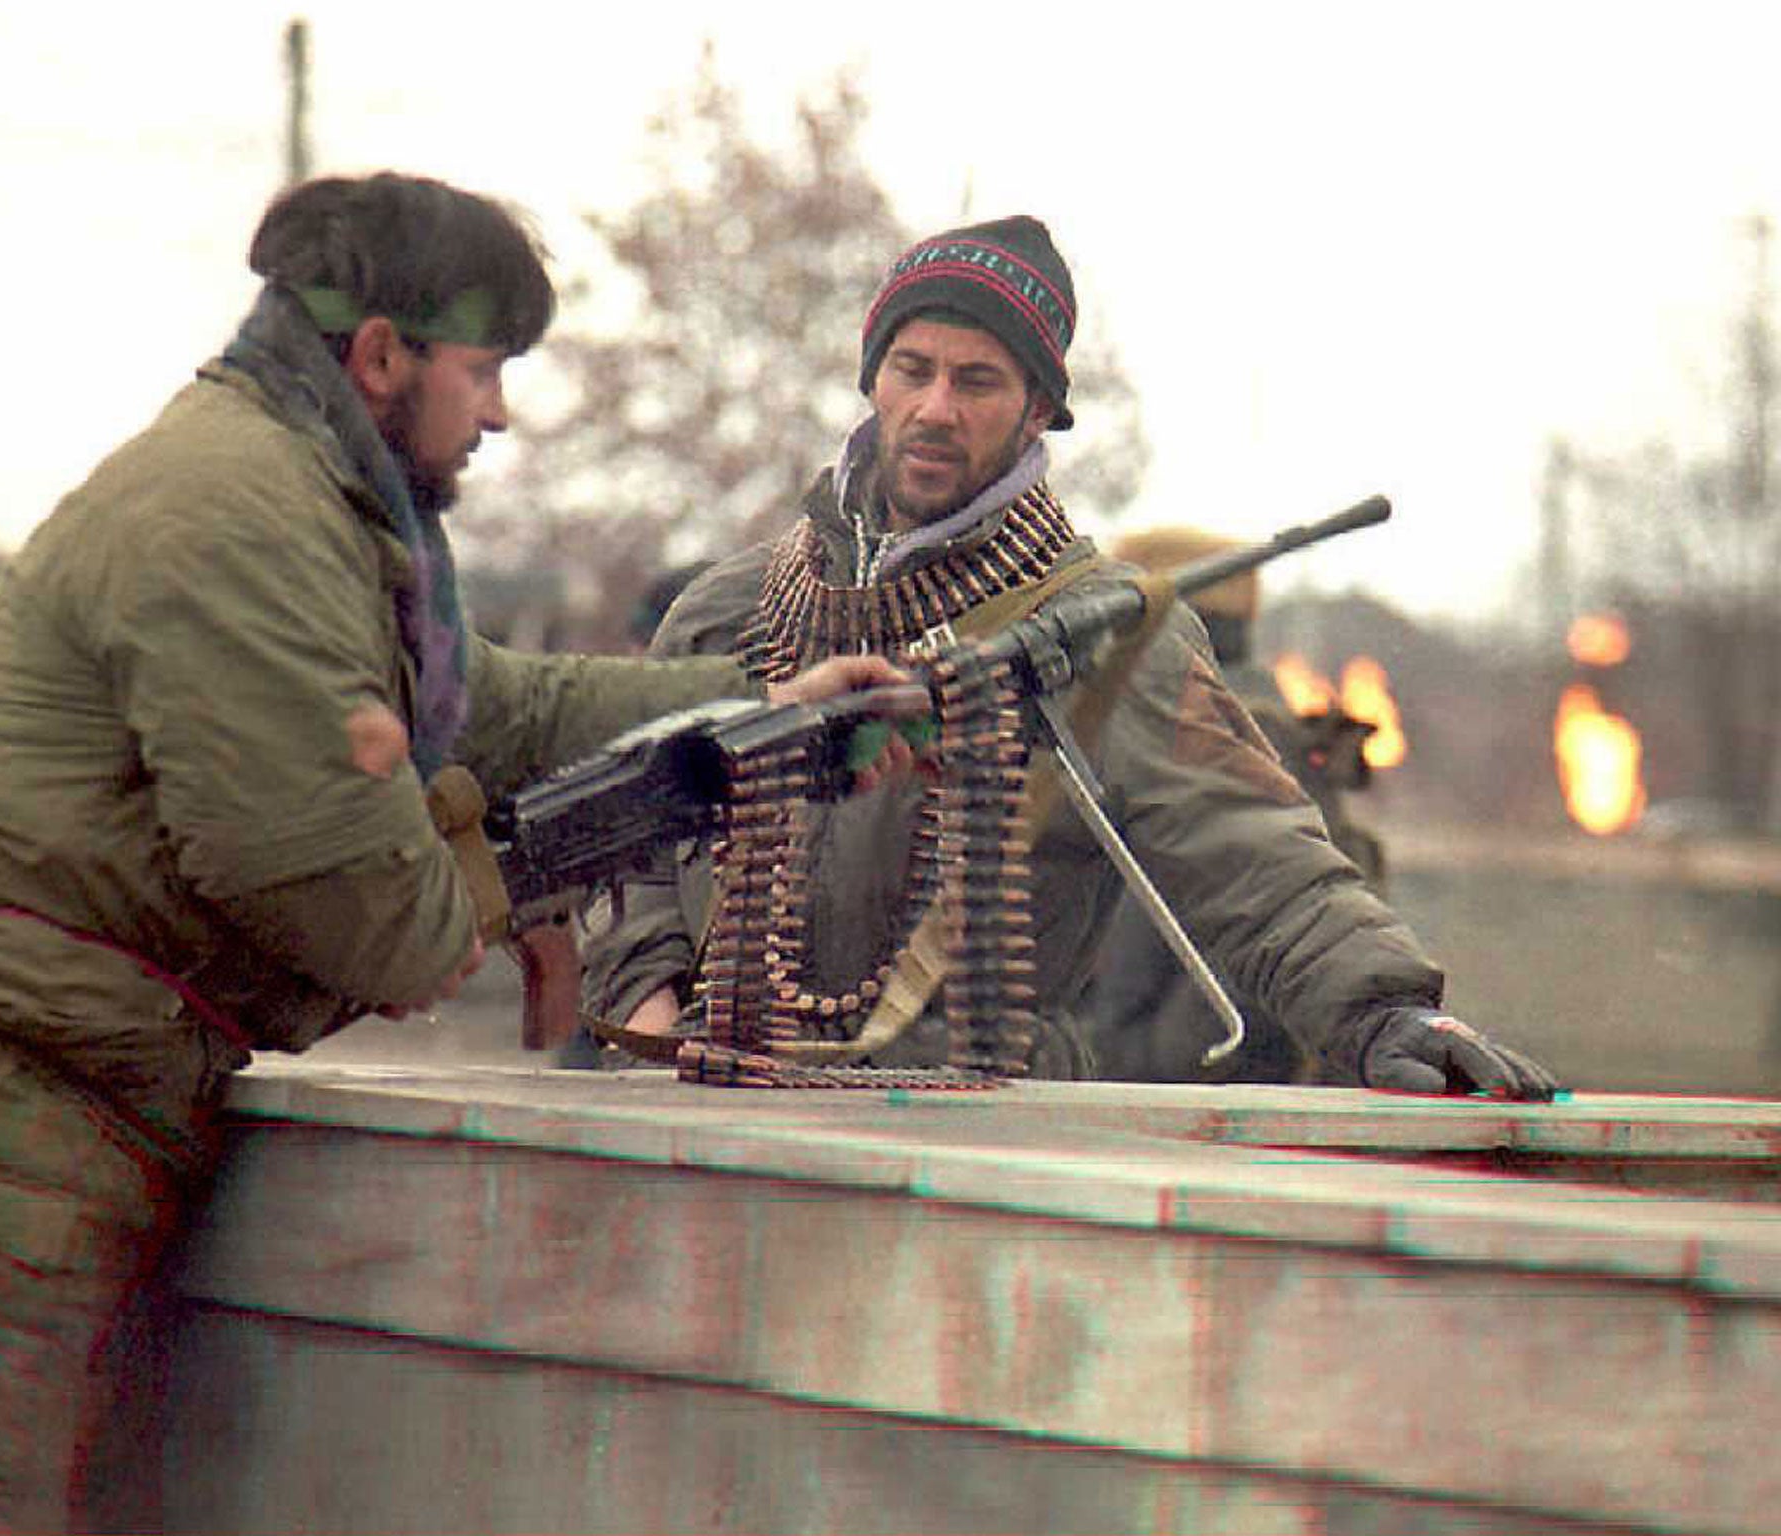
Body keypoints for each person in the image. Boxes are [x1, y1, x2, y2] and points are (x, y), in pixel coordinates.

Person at [0, 172, 910, 1535]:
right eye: (483, 372)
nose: (500, 413)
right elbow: (369, 919)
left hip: (58, 1107)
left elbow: (509, 710)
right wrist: (584, 845)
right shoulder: (238, 519)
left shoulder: (322, 512)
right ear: (381, 356)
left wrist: (758, 714)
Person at [581, 213, 1558, 1099]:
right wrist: (649, 1015)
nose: (933, 408)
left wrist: (1381, 1009)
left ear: (1038, 409)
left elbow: (1246, 843)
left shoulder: (1101, 631)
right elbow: (627, 846)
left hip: (967, 1123)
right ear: (870, 377)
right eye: (911, 368)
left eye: (977, 382)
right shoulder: (730, 609)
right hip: (706, 1092)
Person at [1082, 526, 1389, 1082]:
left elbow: (1252, 986)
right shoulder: (1231, 732)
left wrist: (1137, 1073)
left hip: (1183, 1107)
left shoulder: (1223, 745)